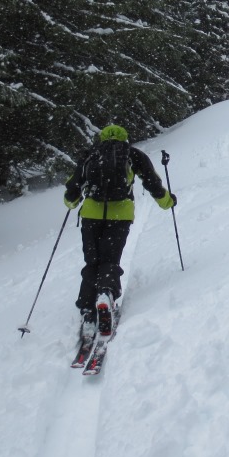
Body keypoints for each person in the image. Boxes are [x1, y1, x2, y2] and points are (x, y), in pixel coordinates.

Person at [63, 124, 176, 339]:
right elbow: (152, 182)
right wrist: (167, 202)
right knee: (110, 259)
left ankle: (88, 312)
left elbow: (72, 188)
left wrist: (71, 202)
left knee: (92, 260)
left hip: (91, 215)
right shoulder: (132, 155)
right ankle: (105, 295)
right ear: (125, 138)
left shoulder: (90, 155)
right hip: (120, 215)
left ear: (102, 137)